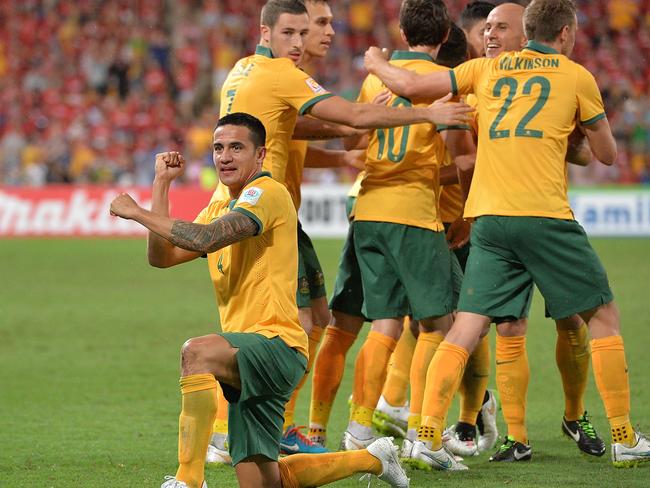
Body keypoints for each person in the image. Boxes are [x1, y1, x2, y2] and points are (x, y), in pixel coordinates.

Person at [364, 0, 649, 470]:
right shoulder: (575, 75)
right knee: (601, 314)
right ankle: (623, 436)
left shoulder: (484, 71)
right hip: (544, 215)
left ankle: (426, 437)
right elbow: (606, 154)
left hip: (489, 219)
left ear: (525, 31)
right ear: (565, 33)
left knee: (466, 326)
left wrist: (375, 60)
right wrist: (569, 132)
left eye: (501, 27)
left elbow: (411, 86)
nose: (492, 35)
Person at [206, 0, 471, 460]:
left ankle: (273, 428)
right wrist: (428, 115)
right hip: (260, 214)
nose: (300, 41)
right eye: (292, 32)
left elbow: (285, 129)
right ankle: (227, 434)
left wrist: (340, 147)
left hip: (265, 213)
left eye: (304, 31)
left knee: (313, 322)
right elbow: (357, 116)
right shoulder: (284, 74)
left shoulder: (242, 70)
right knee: (279, 329)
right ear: (266, 32)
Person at [109, 112, 410, 488]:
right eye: (219, 148)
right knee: (266, 481)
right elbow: (162, 257)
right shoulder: (220, 207)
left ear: (261, 155)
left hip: (276, 344)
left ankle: (188, 480)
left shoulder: (266, 193)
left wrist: (136, 213)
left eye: (237, 147)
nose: (225, 156)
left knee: (196, 353)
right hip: (245, 358)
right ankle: (372, 458)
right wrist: (161, 186)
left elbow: (205, 239)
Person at [336, 0, 465, 456]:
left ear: (402, 30)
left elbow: (352, 138)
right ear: (446, 35)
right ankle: (424, 434)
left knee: (386, 322)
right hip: (412, 211)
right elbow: (458, 153)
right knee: (442, 324)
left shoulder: (377, 75)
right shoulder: (438, 83)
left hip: (369, 209)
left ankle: (359, 428)